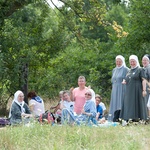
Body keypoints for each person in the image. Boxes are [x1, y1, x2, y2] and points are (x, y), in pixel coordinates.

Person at [120, 55, 147, 121]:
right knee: (130, 103)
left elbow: (143, 80)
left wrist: (144, 90)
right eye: (131, 62)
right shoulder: (129, 71)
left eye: (133, 61)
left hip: (137, 89)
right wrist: (124, 81)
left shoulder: (140, 69)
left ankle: (139, 118)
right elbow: (126, 79)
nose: (132, 63)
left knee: (138, 102)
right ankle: (130, 118)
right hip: (129, 90)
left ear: (136, 61)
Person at [108, 55, 129, 121]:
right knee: (114, 103)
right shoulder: (114, 70)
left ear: (123, 62)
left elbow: (128, 80)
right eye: (117, 61)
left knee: (120, 103)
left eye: (120, 61)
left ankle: (121, 118)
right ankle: (112, 118)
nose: (118, 63)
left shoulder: (126, 69)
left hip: (122, 89)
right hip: (114, 89)